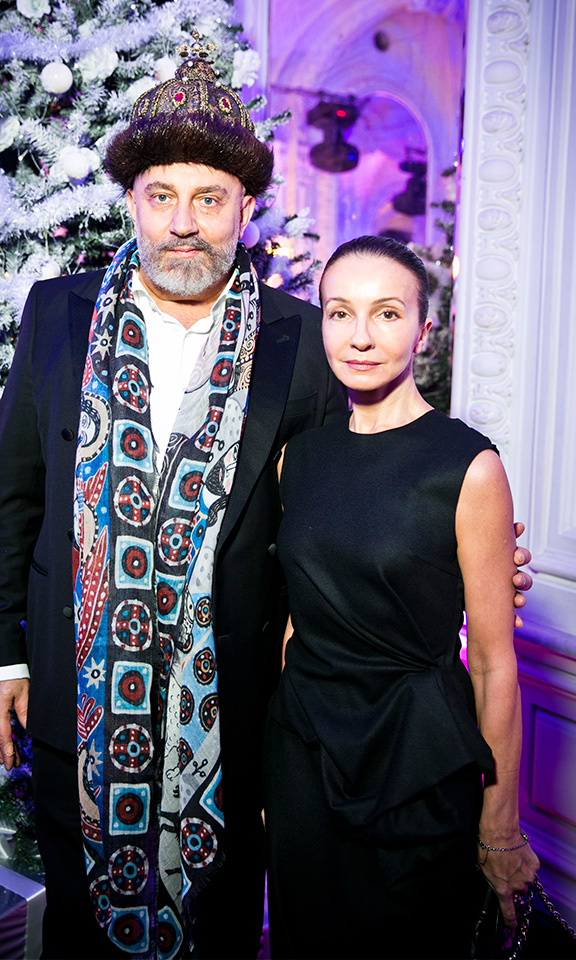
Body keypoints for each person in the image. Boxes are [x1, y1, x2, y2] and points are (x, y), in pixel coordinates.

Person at [0, 45, 532, 959]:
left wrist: (462, 550)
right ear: (131, 201)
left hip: (232, 717)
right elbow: (11, 500)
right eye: (162, 196)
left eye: (210, 199)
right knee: (80, 929)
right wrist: (0, 656)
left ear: (245, 209)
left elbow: (354, 484)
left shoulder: (302, 336)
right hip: (76, 694)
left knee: (222, 932)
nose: (183, 224)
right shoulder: (56, 313)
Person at [263, 236, 539, 960]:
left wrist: (500, 827)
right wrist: (274, 769)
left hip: (415, 761)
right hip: (304, 758)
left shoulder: (468, 465)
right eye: (339, 312)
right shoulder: (300, 457)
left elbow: (494, 664)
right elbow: (296, 620)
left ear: (423, 331)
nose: (359, 336)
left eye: (386, 313)